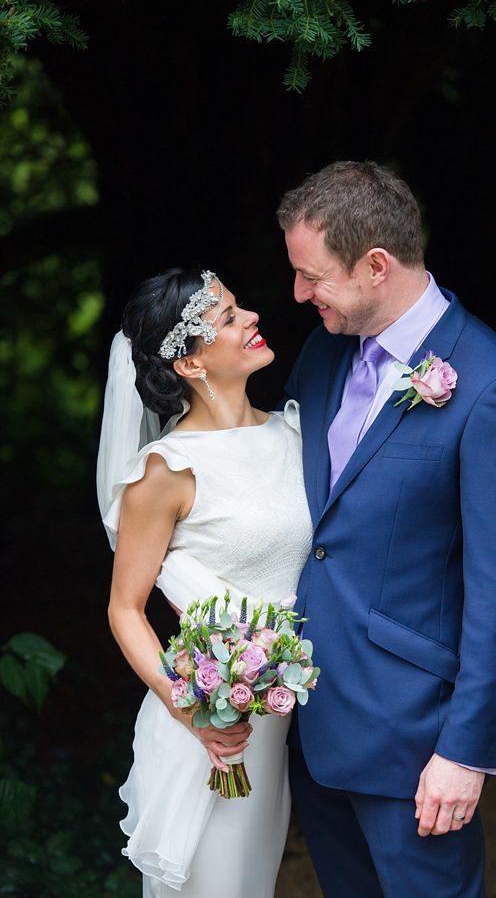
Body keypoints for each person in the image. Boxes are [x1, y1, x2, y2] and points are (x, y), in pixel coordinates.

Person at [278, 160, 496, 898]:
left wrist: (467, 751)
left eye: (313, 276)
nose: (299, 294)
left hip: (415, 741)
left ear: (376, 265)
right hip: (311, 720)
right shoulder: (320, 353)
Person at [96, 267, 313, 898]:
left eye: (239, 307)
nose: (249, 319)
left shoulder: (293, 433)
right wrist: (190, 708)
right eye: (226, 317)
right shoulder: (167, 470)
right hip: (213, 732)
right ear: (190, 365)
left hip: (276, 723)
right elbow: (125, 608)